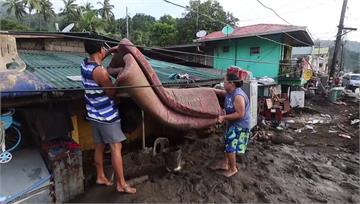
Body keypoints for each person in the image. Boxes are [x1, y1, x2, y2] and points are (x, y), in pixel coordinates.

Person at [81, 35, 136, 194]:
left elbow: (98, 57)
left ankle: (100, 176)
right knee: (116, 147)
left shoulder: (84, 64)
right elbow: (111, 93)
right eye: (104, 49)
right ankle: (121, 184)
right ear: (100, 50)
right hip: (106, 116)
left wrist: (112, 49)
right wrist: (122, 78)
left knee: (99, 145)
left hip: (93, 114)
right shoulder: (101, 72)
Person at [213, 73, 251, 178]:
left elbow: (240, 114)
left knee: (230, 147)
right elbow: (220, 92)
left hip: (240, 124)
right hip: (232, 123)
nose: (223, 83)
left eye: (225, 82)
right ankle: (225, 164)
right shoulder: (229, 92)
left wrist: (223, 117)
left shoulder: (238, 96)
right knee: (226, 142)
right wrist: (208, 90)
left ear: (232, 83)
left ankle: (233, 169)